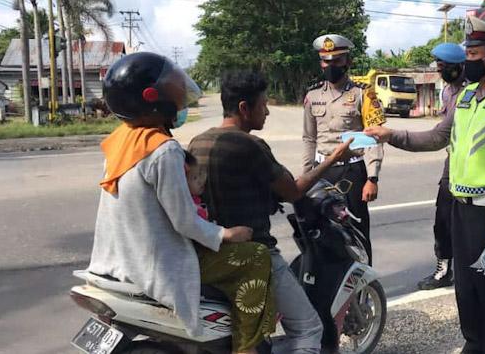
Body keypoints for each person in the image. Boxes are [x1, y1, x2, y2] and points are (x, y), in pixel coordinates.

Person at [366, 15, 485, 354]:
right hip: (460, 208)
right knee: (468, 289)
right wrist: (390, 135)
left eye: (473, 55)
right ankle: (475, 343)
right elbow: (437, 137)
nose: (467, 61)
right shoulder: (467, 95)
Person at [87, 52, 273, 354]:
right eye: (171, 89)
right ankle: (246, 347)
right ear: (152, 99)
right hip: (155, 264)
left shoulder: (121, 141)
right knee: (256, 257)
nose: (179, 96)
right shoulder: (164, 151)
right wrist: (226, 234)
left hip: (116, 260)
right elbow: (184, 221)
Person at [189, 71, 352, 354]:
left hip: (209, 251)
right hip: (253, 252)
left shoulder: (198, 141)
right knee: (308, 329)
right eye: (263, 105)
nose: (266, 112)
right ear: (244, 108)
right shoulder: (249, 145)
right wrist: (332, 159)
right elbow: (293, 190)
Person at [302, 34, 385, 263]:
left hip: (352, 172)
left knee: (356, 230)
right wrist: (306, 174)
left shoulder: (363, 94)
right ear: (321, 62)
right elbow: (309, 138)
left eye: (336, 61)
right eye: (326, 61)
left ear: (347, 62)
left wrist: (372, 177)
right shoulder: (312, 95)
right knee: (324, 231)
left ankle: (364, 287)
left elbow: (373, 138)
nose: (330, 66)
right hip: (322, 171)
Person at [417, 42, 467, 291]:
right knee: (442, 220)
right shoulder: (447, 91)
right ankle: (444, 270)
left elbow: (440, 135)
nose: (441, 70)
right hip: (452, 163)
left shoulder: (471, 91)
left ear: (460, 67)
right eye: (439, 66)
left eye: (445, 66)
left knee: (474, 224)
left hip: (475, 167)